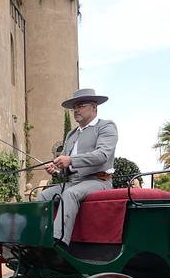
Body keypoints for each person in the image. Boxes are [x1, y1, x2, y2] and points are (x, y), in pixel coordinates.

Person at [37, 88, 118, 245]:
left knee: (71, 194)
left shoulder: (106, 127)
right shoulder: (72, 134)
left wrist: (71, 160)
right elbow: (67, 166)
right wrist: (57, 169)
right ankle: (39, 237)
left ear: (94, 107)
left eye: (80, 105)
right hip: (73, 182)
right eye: (74, 107)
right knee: (43, 196)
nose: (75, 110)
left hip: (99, 181)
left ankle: (58, 242)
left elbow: (102, 155)